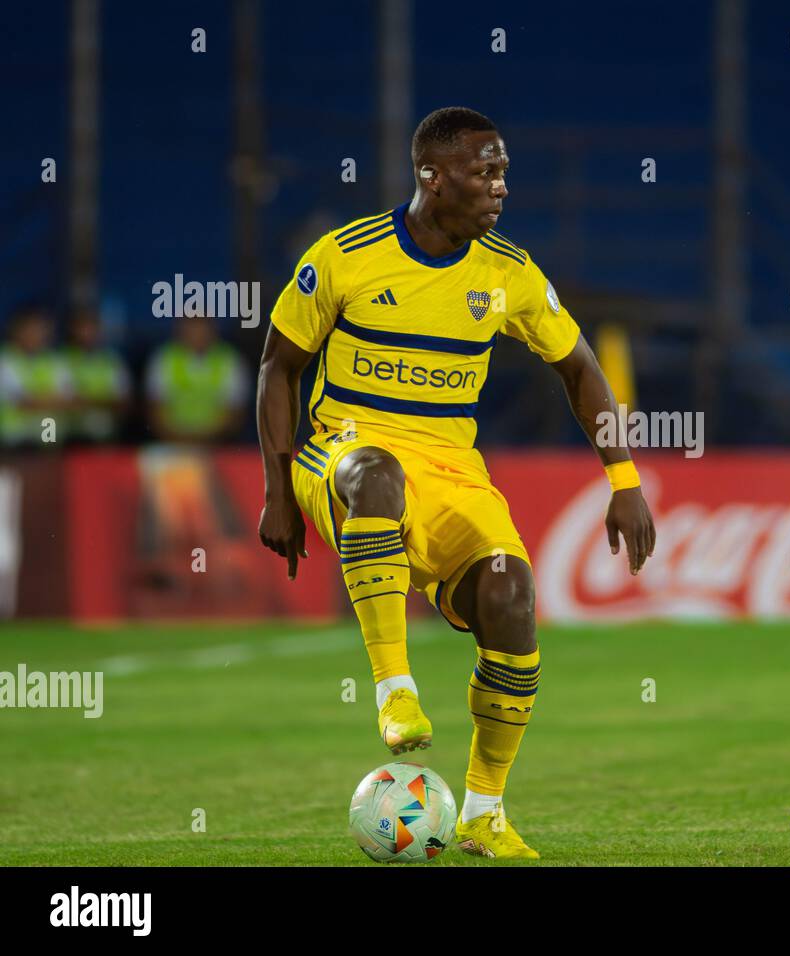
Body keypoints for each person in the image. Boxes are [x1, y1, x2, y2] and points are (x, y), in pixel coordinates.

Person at [256, 107, 656, 860]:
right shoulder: (346, 256)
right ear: (432, 179)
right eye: (485, 171)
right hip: (343, 453)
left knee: (510, 594)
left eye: (503, 170)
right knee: (375, 477)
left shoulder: (507, 273)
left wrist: (625, 479)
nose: (500, 186)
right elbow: (278, 366)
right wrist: (278, 491)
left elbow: (581, 369)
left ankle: (483, 813)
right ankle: (394, 691)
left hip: (451, 469)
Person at [145, 312, 249, 442]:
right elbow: (155, 412)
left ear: (213, 330)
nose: (197, 334)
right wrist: (182, 440)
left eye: (202, 328)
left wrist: (204, 440)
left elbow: (236, 414)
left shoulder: (230, 360)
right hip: (172, 444)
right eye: (192, 328)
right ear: (180, 330)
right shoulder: (163, 359)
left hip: (217, 445)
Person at [0, 305, 71, 448]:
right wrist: (52, 399)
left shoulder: (55, 361)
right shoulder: (5, 360)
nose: (35, 335)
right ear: (16, 330)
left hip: (49, 439)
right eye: (30, 329)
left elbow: (71, 400)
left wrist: (38, 399)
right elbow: (24, 402)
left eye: (40, 330)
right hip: (13, 441)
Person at [63, 307, 130, 442]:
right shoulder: (62, 359)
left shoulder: (111, 361)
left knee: (100, 423)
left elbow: (123, 402)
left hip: (105, 431)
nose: (87, 333)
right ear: (72, 329)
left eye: (92, 327)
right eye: (82, 327)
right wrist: (102, 401)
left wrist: (88, 401)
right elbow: (64, 402)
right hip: (69, 430)